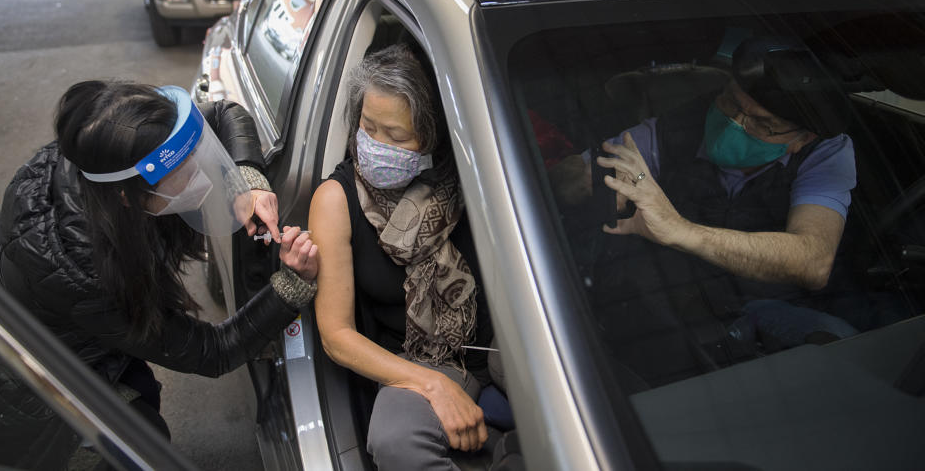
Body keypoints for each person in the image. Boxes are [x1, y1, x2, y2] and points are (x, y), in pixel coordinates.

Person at [0, 80, 318, 466]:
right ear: (127, 196)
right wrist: (290, 286)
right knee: (134, 442)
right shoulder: (87, 275)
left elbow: (224, 112)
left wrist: (247, 178)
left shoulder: (108, 146)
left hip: (48, 326)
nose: (201, 175)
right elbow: (213, 351)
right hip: (2, 384)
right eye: (184, 174)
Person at [551, 37, 857, 383]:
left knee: (838, 344)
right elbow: (570, 177)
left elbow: (813, 261)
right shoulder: (673, 129)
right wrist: (589, 181)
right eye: (729, 103)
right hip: (674, 306)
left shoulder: (826, 153)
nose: (734, 124)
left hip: (769, 306)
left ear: (804, 138)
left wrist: (680, 229)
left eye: (761, 124)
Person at [310, 44, 494, 471]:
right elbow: (336, 335)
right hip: (418, 360)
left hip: (499, 346)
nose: (376, 146)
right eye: (367, 127)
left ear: (433, 136)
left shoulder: (471, 174)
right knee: (396, 441)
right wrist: (430, 384)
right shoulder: (337, 200)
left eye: (396, 136)